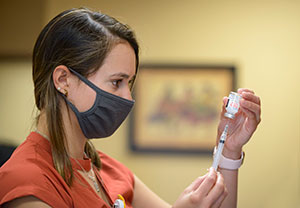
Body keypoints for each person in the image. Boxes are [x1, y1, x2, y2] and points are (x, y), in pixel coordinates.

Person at [0, 8, 261, 208]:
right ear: (63, 80)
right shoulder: (26, 181)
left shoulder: (107, 169)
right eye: (117, 82)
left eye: (130, 82)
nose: (127, 97)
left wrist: (228, 151)